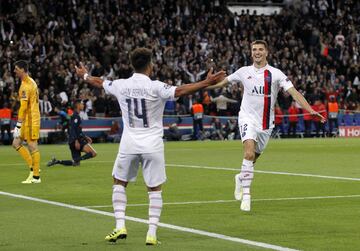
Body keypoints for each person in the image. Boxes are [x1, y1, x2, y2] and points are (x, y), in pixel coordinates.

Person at [74, 47, 225, 245]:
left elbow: (98, 82)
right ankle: (151, 233)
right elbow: (180, 91)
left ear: (132, 65)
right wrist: (206, 82)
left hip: (129, 143)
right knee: (155, 189)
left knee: (119, 182)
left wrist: (84, 74)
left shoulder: (120, 85)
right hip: (152, 144)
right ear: (150, 66)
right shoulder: (156, 87)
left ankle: (120, 226)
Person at [208, 40, 325, 211]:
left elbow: (294, 93)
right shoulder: (243, 72)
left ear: (266, 52)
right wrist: (203, 86)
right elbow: (223, 82)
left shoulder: (276, 74)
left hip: (266, 124)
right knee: (248, 154)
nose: (257, 52)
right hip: (247, 118)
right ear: (251, 52)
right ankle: (247, 195)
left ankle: (240, 178)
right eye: (254, 49)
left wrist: (310, 110)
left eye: (260, 49)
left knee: (252, 159)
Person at [12, 60, 41, 184]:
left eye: (16, 69)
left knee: (32, 146)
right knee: (16, 143)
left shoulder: (26, 86)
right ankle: (33, 168)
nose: (15, 71)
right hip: (29, 119)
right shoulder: (30, 81)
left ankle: (36, 177)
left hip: (31, 120)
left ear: (23, 70)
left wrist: (17, 125)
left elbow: (23, 107)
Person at [47, 100, 97, 167]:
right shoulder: (76, 116)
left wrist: (85, 137)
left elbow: (77, 129)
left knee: (76, 164)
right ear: (78, 105)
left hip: (71, 141)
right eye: (82, 104)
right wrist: (76, 141)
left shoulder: (74, 115)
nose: (83, 105)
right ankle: (76, 159)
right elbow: (73, 129)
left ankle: (57, 161)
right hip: (77, 140)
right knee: (93, 153)